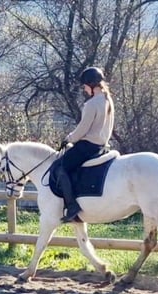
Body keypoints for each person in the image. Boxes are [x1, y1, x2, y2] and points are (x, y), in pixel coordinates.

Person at [54, 66, 115, 223]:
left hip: (88, 146)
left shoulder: (91, 104)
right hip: (103, 146)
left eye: (85, 86)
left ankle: (72, 206)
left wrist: (68, 139)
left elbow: (82, 129)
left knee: (61, 167)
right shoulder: (108, 101)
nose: (85, 90)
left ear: (91, 85)